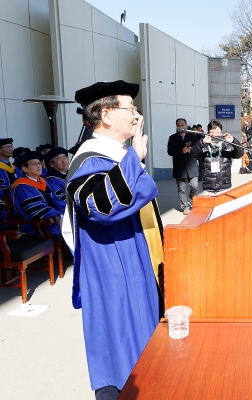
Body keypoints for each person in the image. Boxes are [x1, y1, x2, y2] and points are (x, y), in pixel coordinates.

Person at [63, 80, 162, 400]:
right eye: (130, 108)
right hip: (115, 274)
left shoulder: (115, 155)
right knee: (124, 357)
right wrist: (135, 159)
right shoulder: (89, 160)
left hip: (134, 265)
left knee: (145, 352)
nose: (137, 116)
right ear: (106, 114)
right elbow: (99, 206)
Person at [10, 151, 62, 236]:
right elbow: (36, 210)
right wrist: (59, 216)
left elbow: (56, 200)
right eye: (34, 164)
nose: (39, 166)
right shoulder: (22, 185)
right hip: (37, 225)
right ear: (24, 169)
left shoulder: (43, 182)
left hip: (53, 218)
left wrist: (63, 213)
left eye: (39, 163)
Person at [190, 119, 244, 192]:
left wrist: (233, 141)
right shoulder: (204, 146)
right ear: (208, 133)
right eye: (212, 132)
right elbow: (193, 153)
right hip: (208, 188)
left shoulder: (227, 146)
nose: (215, 134)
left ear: (222, 133)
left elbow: (239, 154)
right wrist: (202, 142)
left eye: (218, 132)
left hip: (225, 187)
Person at [167, 118, 199, 215]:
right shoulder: (172, 138)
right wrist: (181, 151)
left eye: (183, 124)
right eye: (179, 125)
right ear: (176, 127)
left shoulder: (192, 137)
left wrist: (191, 150)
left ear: (186, 125)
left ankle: (193, 201)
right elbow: (170, 151)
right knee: (181, 189)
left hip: (191, 165)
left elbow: (197, 149)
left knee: (195, 186)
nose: (181, 126)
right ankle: (185, 206)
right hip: (179, 166)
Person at [44, 147, 70, 214]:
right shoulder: (51, 180)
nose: (64, 161)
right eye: (59, 159)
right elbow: (59, 202)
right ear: (52, 164)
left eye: (64, 157)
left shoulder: (71, 174)